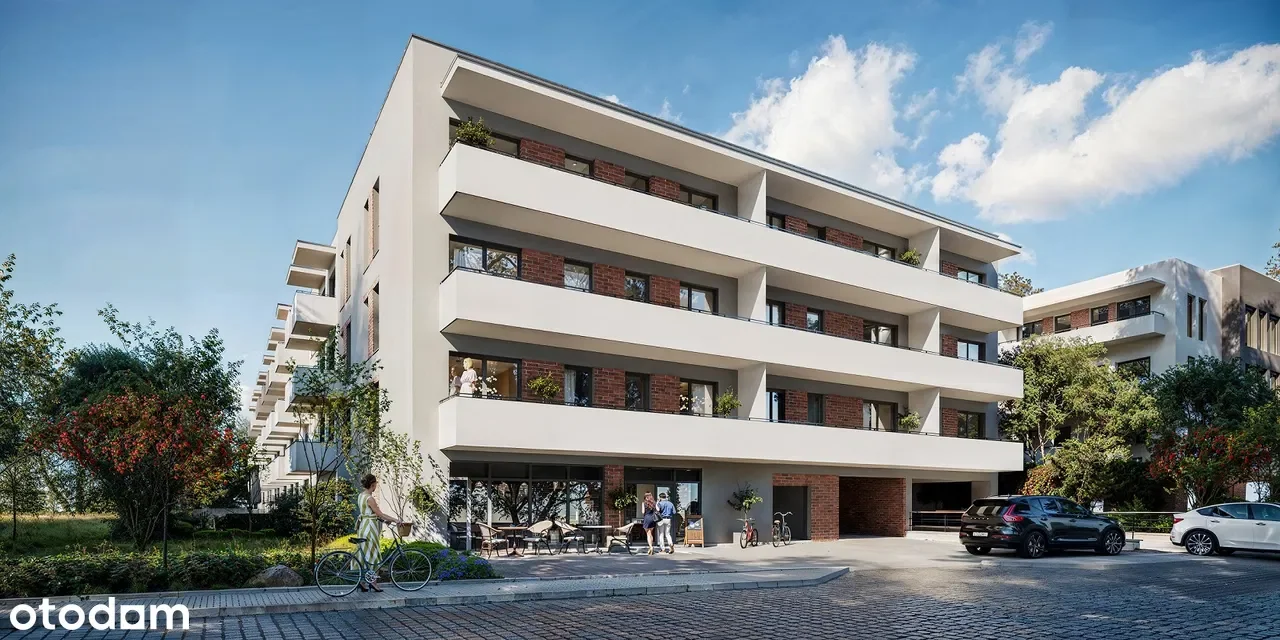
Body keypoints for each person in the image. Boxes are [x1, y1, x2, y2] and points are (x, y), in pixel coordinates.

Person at [356, 473, 399, 592]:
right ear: (372, 484)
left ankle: (362, 582)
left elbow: (369, 514)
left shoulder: (361, 496)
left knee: (365, 555)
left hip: (363, 527)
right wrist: (395, 520)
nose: (376, 487)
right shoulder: (370, 498)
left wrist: (383, 520)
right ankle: (373, 583)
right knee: (373, 555)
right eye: (375, 484)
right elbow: (380, 514)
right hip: (370, 528)